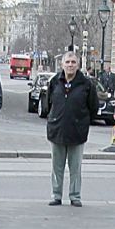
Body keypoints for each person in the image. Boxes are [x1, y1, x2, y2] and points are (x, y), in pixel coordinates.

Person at [41, 51, 96, 207]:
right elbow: (48, 104)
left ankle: (75, 196)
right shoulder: (54, 82)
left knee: (75, 168)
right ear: (62, 64)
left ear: (78, 65)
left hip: (77, 132)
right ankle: (56, 195)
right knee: (56, 167)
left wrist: (83, 122)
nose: (70, 65)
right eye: (67, 62)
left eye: (73, 62)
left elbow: (93, 107)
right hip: (57, 130)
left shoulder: (86, 84)